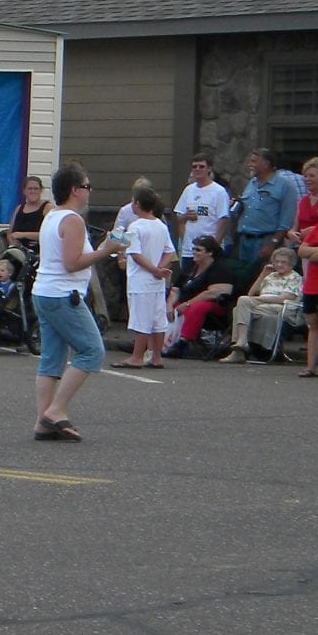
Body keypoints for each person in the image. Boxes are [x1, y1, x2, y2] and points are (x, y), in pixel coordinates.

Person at [33, 163, 124, 442]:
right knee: (92, 351)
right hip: (63, 295)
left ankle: (43, 422)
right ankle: (56, 411)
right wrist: (107, 251)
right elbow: (72, 263)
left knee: (52, 358)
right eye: (86, 186)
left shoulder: (51, 215)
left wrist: (101, 249)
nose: (89, 192)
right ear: (74, 190)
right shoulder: (72, 220)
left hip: (45, 291)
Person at [114, 187, 176, 370]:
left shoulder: (136, 226)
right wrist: (161, 268)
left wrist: (154, 270)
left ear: (138, 204)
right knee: (157, 319)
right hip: (157, 281)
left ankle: (137, 356)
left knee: (141, 318)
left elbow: (135, 254)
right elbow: (170, 251)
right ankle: (156, 356)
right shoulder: (160, 225)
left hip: (141, 279)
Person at [220, 248, 303, 363]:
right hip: (262, 306)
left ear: (291, 263)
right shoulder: (271, 276)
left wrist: (259, 299)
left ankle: (240, 346)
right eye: (277, 261)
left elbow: (283, 298)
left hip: (281, 308)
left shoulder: (294, 278)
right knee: (239, 307)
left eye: (283, 262)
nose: (279, 264)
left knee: (240, 307)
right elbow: (251, 293)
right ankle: (240, 346)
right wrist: (262, 275)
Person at [163, 237, 236, 358]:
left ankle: (183, 343)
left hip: (214, 306)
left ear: (210, 252)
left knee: (197, 308)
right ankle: (152, 341)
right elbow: (176, 290)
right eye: (193, 249)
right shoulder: (191, 267)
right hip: (185, 303)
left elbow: (214, 293)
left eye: (198, 250)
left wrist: (188, 304)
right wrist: (169, 305)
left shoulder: (220, 269)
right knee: (164, 306)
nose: (194, 252)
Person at [229, 147, 298, 266]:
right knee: (244, 280)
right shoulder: (252, 183)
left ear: (266, 164)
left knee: (262, 279)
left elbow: (286, 221)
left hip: (265, 240)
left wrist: (273, 243)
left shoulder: (285, 185)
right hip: (244, 240)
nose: (249, 165)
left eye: (254, 161)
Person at [172, 151, 232, 261]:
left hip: (208, 251)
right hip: (189, 250)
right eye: (194, 166)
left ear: (209, 169)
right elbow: (179, 217)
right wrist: (186, 217)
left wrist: (214, 247)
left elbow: (223, 220)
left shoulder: (219, 191)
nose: (197, 169)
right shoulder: (188, 190)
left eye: (201, 166)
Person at [298, 210, 318, 376]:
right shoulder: (316, 229)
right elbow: (301, 251)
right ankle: (311, 366)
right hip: (312, 286)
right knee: (313, 324)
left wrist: (313, 252)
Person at [6, 175, 48, 261]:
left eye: (36, 188)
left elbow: (49, 235)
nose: (33, 191)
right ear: (24, 191)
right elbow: (10, 233)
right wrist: (13, 245)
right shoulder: (19, 208)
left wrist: (23, 235)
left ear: (41, 190)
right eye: (30, 188)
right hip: (18, 254)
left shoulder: (47, 208)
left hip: (38, 255)